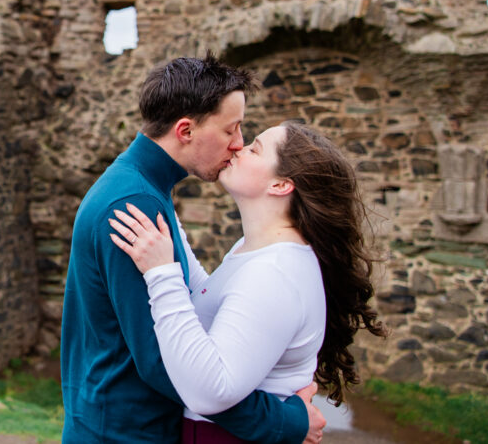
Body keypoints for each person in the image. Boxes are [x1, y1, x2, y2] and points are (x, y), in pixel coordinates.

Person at [60, 56, 326, 443]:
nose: (237, 144)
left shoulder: (145, 188)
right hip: (124, 433)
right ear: (186, 130)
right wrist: (286, 423)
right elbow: (163, 363)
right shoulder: (133, 205)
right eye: (230, 130)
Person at [109, 122, 386, 443]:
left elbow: (210, 393)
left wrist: (161, 274)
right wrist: (172, 235)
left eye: (255, 148)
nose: (239, 148)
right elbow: (214, 300)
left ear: (281, 185)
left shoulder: (275, 273)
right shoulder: (261, 250)